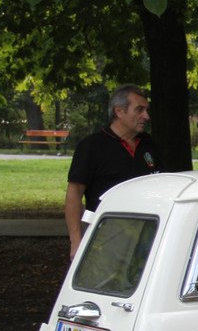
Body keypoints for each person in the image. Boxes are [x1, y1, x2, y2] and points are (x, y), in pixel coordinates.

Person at [65, 85, 161, 259]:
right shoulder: (92, 146)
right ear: (119, 111)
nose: (146, 116)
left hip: (147, 235)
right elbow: (74, 193)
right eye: (139, 109)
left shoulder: (149, 144)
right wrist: (76, 241)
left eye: (146, 110)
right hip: (106, 237)